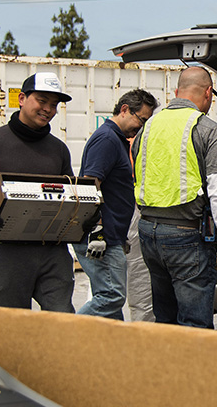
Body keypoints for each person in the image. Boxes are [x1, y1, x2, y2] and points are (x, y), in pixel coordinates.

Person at [0, 72, 80, 312]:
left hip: (51, 252)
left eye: (54, 105)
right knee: (9, 327)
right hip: (6, 253)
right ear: (21, 98)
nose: (48, 109)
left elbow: (67, 195)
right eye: (42, 101)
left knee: (63, 321)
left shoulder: (59, 150)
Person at [132, 66, 217, 329]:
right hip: (185, 237)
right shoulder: (208, 129)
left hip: (148, 233)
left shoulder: (148, 127)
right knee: (195, 324)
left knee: (165, 319)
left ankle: (168, 369)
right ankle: (193, 371)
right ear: (209, 92)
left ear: (176, 92)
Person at [72, 89, 157, 320]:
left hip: (112, 235)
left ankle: (113, 352)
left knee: (110, 302)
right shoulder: (107, 139)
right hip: (102, 236)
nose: (140, 127)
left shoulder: (116, 139)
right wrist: (98, 230)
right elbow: (91, 185)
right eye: (141, 120)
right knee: (111, 296)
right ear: (124, 110)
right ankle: (64, 331)